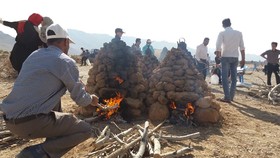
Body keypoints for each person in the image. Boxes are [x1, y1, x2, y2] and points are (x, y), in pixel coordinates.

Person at [0, 24, 99, 158]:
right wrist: (92, 99)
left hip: (10, 121)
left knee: (56, 98)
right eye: (68, 43)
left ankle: (46, 151)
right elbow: (80, 99)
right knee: (84, 130)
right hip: (30, 123)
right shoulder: (65, 61)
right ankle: (34, 154)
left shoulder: (34, 55)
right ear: (65, 41)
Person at [216, 18, 245, 103]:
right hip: (235, 57)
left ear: (223, 25)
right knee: (233, 77)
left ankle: (227, 97)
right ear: (230, 24)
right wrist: (243, 59)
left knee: (224, 77)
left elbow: (218, 46)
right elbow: (242, 47)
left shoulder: (222, 33)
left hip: (225, 57)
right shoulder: (239, 33)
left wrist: (218, 57)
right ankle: (231, 96)